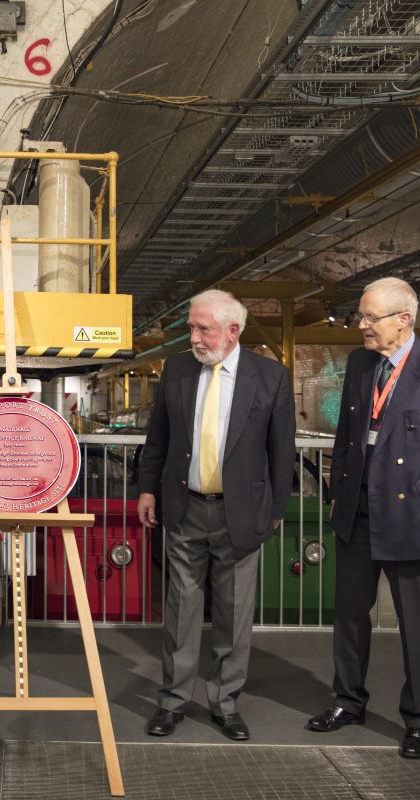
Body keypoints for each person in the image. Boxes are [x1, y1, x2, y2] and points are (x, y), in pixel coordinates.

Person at [306, 277, 420, 759]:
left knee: (414, 625)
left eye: (370, 317)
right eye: (361, 316)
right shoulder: (362, 363)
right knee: (350, 618)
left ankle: (419, 720)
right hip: (358, 512)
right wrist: (337, 495)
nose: (361, 326)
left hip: (413, 517)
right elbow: (347, 436)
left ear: (404, 320)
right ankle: (348, 702)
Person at [137, 289, 296, 741]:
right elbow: (159, 438)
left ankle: (225, 704)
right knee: (181, 610)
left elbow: (282, 452)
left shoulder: (271, 378)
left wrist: (275, 511)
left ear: (233, 330)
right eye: (191, 327)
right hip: (185, 508)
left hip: (241, 515)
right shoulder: (178, 370)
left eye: (202, 328)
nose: (194, 337)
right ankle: (173, 702)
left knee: (233, 613)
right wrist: (147, 488)